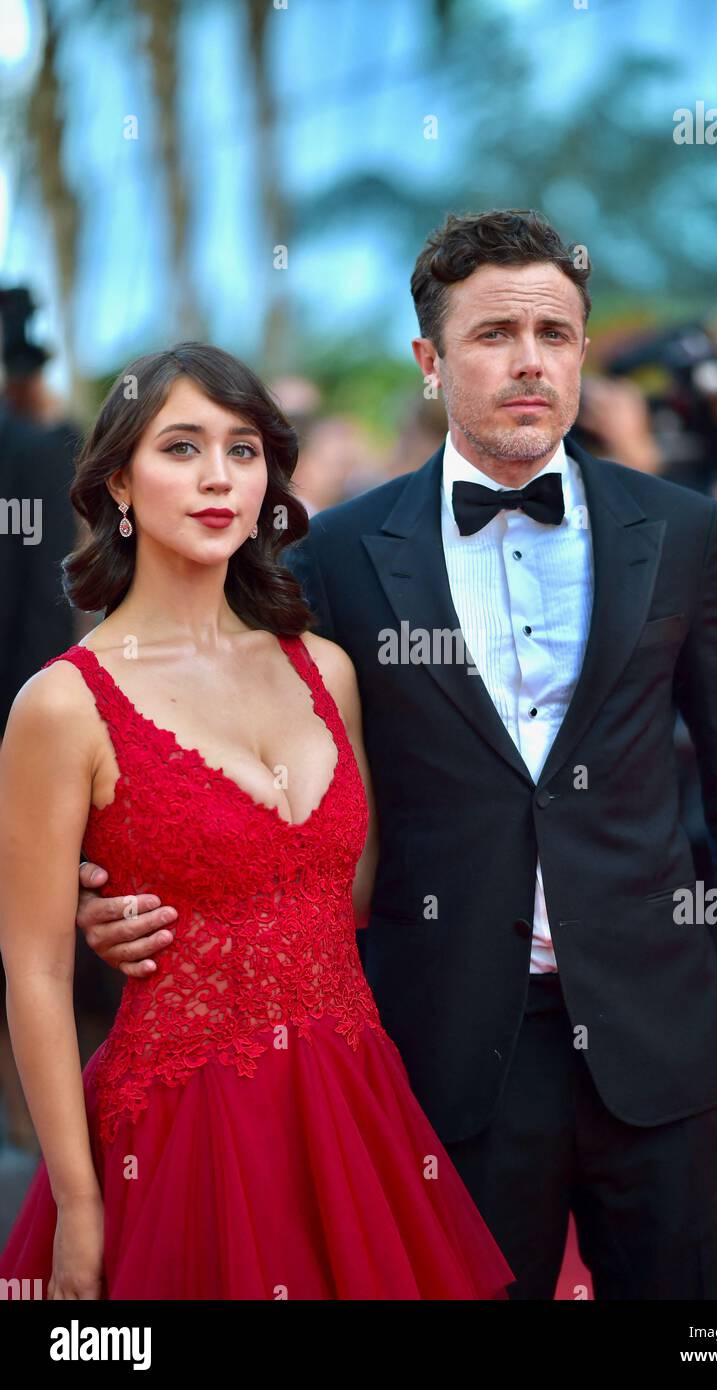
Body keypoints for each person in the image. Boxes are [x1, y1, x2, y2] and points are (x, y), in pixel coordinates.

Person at [73, 210, 717, 1300]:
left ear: (584, 350)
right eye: (493, 333)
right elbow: (223, 736)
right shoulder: (339, 552)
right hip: (439, 1049)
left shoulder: (682, 529)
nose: (528, 361)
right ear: (428, 361)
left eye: (554, 333)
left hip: (663, 1036)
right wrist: (119, 880)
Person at [0, 342, 515, 1300]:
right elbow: (31, 971)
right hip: (180, 1122)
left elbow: (350, 892)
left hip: (353, 1109)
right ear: (118, 480)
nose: (217, 479)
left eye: (243, 451)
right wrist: (75, 1199)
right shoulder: (64, 704)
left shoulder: (325, 669)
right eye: (182, 448)